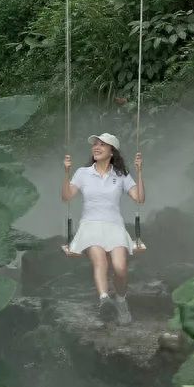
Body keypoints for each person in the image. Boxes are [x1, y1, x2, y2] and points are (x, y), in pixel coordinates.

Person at [61, 131, 145, 324]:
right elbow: (66, 197)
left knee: (120, 268)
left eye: (102, 144)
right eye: (95, 144)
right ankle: (104, 300)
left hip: (114, 226)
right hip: (90, 226)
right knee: (100, 261)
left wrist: (139, 172)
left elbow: (139, 198)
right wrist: (66, 172)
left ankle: (121, 301)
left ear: (112, 151)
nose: (96, 147)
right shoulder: (83, 173)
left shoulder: (121, 175)